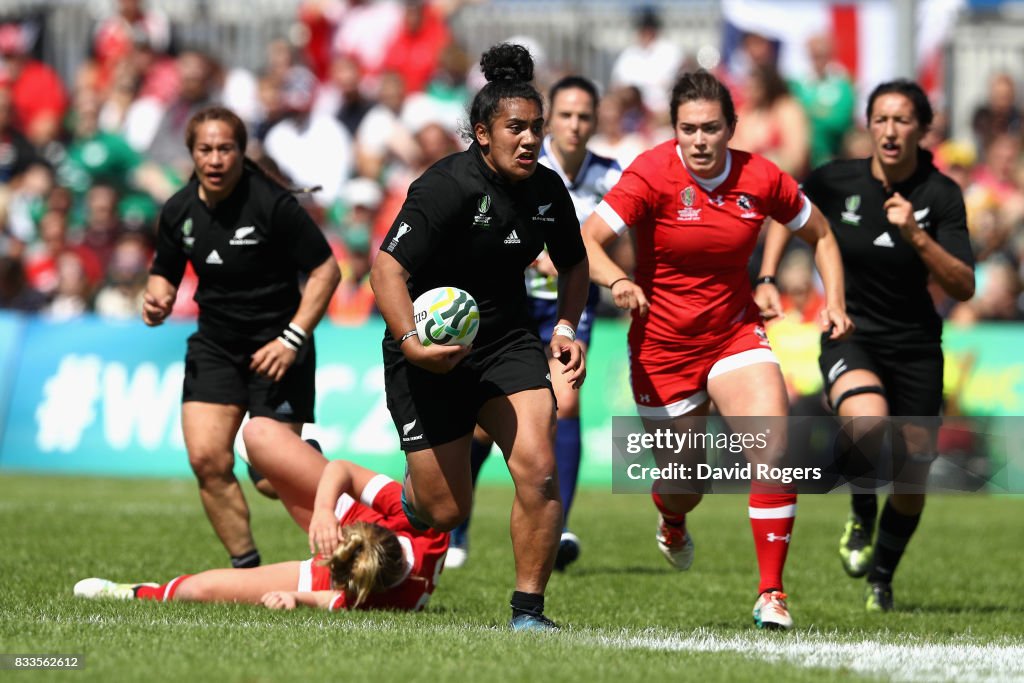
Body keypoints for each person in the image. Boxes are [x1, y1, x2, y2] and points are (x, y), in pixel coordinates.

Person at [581, 70, 852, 630]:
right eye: (688, 129)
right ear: (674, 130)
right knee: (686, 488)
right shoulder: (651, 173)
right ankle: (672, 520)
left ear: (731, 128)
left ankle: (772, 593)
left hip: (734, 335)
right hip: (662, 350)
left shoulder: (761, 176)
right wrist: (617, 282)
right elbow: (587, 240)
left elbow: (820, 234)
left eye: (710, 128)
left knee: (773, 451)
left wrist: (835, 301)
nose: (699, 140)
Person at [368, 43, 589, 631]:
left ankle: (529, 613)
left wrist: (565, 328)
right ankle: (387, 497)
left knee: (539, 471)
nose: (530, 140)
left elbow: (574, 264)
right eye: (515, 128)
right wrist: (413, 342)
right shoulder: (445, 187)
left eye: (536, 128)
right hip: (426, 352)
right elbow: (385, 270)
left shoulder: (546, 191)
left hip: (505, 343)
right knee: (444, 511)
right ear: (482, 134)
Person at [761, 79, 975, 612]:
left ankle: (882, 576)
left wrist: (919, 237)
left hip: (917, 345)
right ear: (869, 126)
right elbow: (786, 208)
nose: (890, 130)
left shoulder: (940, 195)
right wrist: (767, 274)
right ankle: (860, 512)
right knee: (865, 422)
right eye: (880, 119)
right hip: (848, 332)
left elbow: (963, 286)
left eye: (902, 120)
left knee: (911, 476)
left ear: (922, 130)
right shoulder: (838, 180)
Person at [142, 106, 341, 570]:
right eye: (205, 150)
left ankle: (329, 478)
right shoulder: (178, 210)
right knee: (207, 460)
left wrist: (292, 338)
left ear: (241, 151)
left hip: (278, 348)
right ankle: (245, 569)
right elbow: (163, 275)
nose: (215, 159)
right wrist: (156, 299)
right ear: (191, 154)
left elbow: (326, 269)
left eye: (225, 149)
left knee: (270, 478)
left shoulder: (272, 204)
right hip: (214, 346)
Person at [449, 75, 621, 571]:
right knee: (484, 430)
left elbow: (612, 241)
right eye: (565, 115)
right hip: (515, 309)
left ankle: (559, 523)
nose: (574, 125)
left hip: (570, 307)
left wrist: (618, 276)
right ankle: (457, 527)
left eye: (583, 116)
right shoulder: (522, 165)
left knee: (564, 404)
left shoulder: (611, 176)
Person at [74, 451, 448, 611]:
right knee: (258, 434)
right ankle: (295, 456)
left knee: (194, 591)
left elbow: (326, 600)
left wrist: (294, 598)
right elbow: (342, 470)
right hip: (351, 519)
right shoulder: (424, 525)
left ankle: (133, 592)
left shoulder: (384, 600)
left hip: (350, 564)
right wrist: (323, 512)